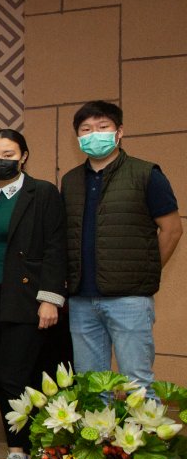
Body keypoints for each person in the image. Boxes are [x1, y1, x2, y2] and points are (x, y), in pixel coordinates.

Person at [62, 101, 180, 390]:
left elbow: (172, 230)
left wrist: (145, 271)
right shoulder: (70, 180)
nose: (94, 134)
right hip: (81, 299)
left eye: (102, 127)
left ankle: (141, 423)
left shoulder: (146, 174)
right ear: (78, 137)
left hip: (130, 299)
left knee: (136, 382)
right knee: (91, 386)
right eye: (86, 129)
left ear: (119, 132)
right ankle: (98, 424)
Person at [0, 129, 67, 459]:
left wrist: (50, 298)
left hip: (27, 298)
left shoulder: (42, 193)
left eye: (8, 154)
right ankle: (15, 452)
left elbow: (56, 247)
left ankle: (37, 456)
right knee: (3, 378)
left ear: (24, 156)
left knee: (21, 376)